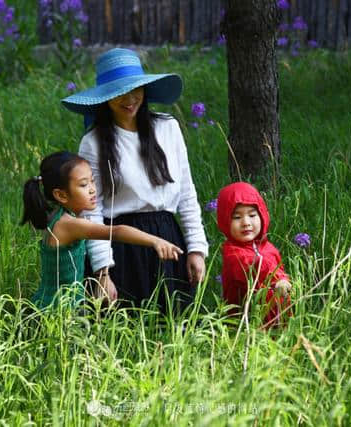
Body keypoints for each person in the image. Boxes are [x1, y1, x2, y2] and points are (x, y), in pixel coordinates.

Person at [61, 48, 208, 314]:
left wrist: (196, 248)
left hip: (169, 240)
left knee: (175, 329)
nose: (129, 99)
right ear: (105, 98)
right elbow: (91, 211)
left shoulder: (168, 128)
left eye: (135, 90)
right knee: (128, 333)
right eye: (119, 93)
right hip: (122, 247)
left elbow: (186, 192)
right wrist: (103, 272)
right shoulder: (93, 143)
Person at [21, 151, 184, 309]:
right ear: (61, 195)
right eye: (84, 185)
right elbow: (117, 231)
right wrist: (155, 240)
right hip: (57, 310)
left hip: (57, 305)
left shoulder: (59, 216)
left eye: (92, 181)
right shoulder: (69, 224)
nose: (92, 189)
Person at [216, 182, 292, 328]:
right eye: (237, 217)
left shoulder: (267, 247)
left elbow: (278, 268)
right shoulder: (232, 253)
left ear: (262, 215)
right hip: (248, 322)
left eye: (252, 215)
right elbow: (254, 270)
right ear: (225, 221)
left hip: (276, 316)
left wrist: (282, 278)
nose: (246, 223)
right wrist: (277, 281)